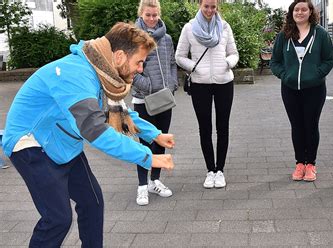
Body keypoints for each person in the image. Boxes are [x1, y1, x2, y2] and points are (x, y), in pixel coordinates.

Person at [2, 22, 175, 247]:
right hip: (30, 144)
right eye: (139, 62)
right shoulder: (76, 75)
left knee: (92, 203)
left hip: (62, 141)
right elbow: (96, 130)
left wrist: (155, 135)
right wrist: (147, 157)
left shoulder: (101, 70)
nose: (140, 69)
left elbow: (119, 112)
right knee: (58, 219)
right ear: (120, 56)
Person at [175, 0, 238, 188]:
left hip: (224, 83)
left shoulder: (225, 27)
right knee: (205, 128)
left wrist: (227, 63)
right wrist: (194, 67)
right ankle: (210, 170)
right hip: (200, 84)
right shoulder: (189, 28)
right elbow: (179, 56)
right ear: (200, 6)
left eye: (213, 7)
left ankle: (220, 170)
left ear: (217, 6)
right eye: (206, 6)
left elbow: (234, 53)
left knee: (223, 127)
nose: (210, 10)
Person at [270, 0, 333, 182]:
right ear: (291, 13)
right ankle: (300, 163)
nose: (300, 12)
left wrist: (316, 75)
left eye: (303, 9)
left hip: (314, 89)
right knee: (297, 126)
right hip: (290, 89)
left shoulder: (320, 34)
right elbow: (275, 61)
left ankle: (311, 164)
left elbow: (329, 60)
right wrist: (285, 75)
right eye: (296, 9)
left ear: (310, 12)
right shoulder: (284, 35)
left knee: (311, 125)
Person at [132, 0, 178, 206]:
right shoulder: (132, 39)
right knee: (144, 144)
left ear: (159, 14)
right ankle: (142, 186)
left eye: (154, 15)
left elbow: (172, 63)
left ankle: (155, 181)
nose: (151, 19)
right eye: (147, 15)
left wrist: (172, 84)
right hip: (143, 100)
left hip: (164, 99)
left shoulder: (166, 39)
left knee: (161, 141)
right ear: (141, 14)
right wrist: (148, 86)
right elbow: (128, 69)